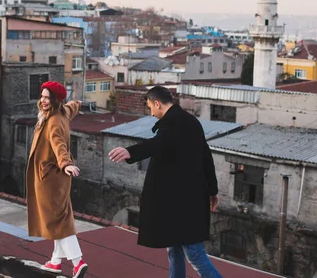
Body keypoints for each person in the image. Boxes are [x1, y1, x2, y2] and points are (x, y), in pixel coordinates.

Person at [108, 86, 221, 278]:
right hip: (181, 201)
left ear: (157, 103)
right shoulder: (189, 121)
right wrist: (213, 190)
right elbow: (206, 157)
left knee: (194, 253)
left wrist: (130, 152)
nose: (151, 113)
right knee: (174, 248)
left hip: (185, 202)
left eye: (150, 107)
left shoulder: (173, 123)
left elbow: (157, 144)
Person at [26, 81, 88, 278]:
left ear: (55, 100)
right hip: (56, 178)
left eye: (47, 98)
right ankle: (55, 262)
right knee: (58, 220)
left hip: (49, 179)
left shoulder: (53, 121)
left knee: (58, 223)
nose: (43, 101)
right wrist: (78, 102)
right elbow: (72, 108)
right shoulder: (62, 112)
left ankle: (78, 263)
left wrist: (66, 163)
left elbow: (58, 143)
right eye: (42, 96)